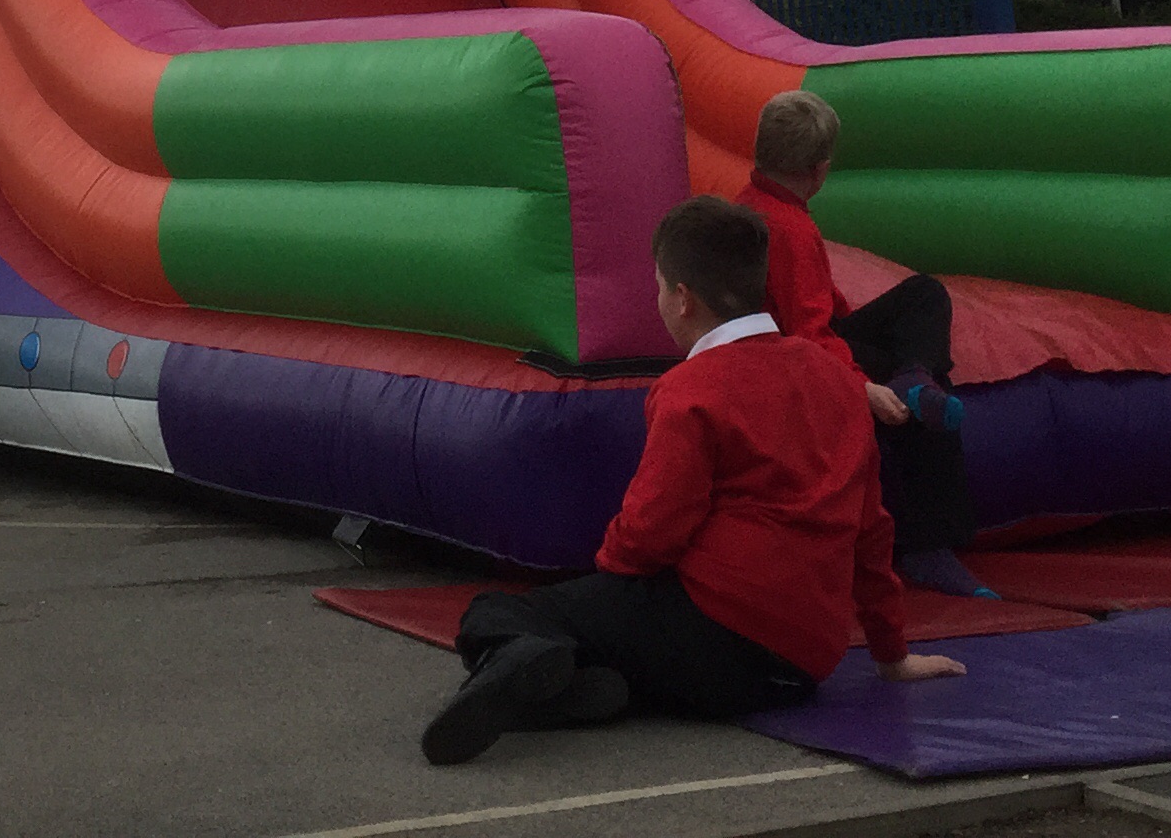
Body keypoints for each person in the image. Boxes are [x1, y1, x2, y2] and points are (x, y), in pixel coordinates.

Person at [422, 196, 963, 764]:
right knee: (620, 645)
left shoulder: (692, 388)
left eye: (659, 286)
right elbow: (872, 530)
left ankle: (534, 672)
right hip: (802, 666)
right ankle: (578, 685)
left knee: (501, 613)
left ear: (683, 299)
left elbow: (653, 529)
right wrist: (890, 653)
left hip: (711, 638)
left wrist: (610, 579)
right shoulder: (840, 381)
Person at [737, 88, 985, 594]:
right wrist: (861, 388)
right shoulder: (788, 229)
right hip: (798, 362)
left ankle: (913, 373)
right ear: (821, 170)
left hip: (787, 349)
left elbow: (821, 307)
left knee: (919, 306)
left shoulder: (753, 204)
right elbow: (809, 332)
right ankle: (927, 545)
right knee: (916, 370)